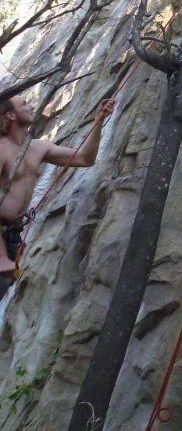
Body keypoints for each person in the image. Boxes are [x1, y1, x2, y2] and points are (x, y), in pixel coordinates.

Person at [0, 95, 115, 287]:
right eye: (24, 104)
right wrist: (1, 256)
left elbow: (85, 159)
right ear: (10, 115)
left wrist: (98, 122)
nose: (32, 106)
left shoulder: (37, 147)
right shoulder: (1, 149)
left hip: (12, 235)